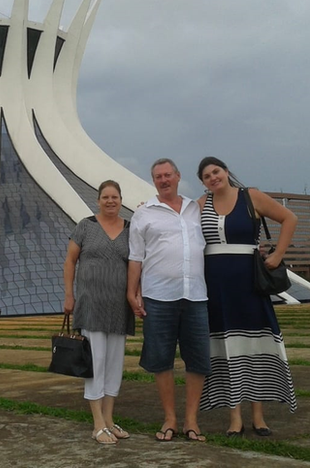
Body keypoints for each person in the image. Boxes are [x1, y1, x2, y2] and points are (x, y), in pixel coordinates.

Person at [196, 156, 298, 437]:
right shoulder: (201, 205)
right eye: (206, 176)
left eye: (216, 171)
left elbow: (289, 218)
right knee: (227, 349)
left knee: (255, 346)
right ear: (203, 182)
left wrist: (278, 254)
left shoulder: (250, 196)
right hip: (215, 286)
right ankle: (234, 418)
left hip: (249, 283)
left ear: (226, 171)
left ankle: (258, 416)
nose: (213, 178)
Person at [127, 158, 211, 443]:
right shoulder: (144, 213)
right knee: (161, 359)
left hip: (196, 295)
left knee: (197, 359)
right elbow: (136, 257)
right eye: (158, 176)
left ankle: (191, 420)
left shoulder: (194, 209)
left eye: (167, 175)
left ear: (178, 176)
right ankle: (170, 418)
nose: (163, 180)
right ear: (153, 181)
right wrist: (132, 291)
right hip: (158, 296)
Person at [64, 180, 135, 444]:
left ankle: (109, 419)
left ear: (120, 199)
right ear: (98, 200)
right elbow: (70, 260)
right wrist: (69, 295)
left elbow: (137, 263)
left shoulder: (130, 229)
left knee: (114, 364)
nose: (110, 201)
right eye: (105, 197)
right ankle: (97, 424)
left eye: (115, 197)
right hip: (91, 304)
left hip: (119, 307)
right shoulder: (86, 226)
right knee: (95, 363)